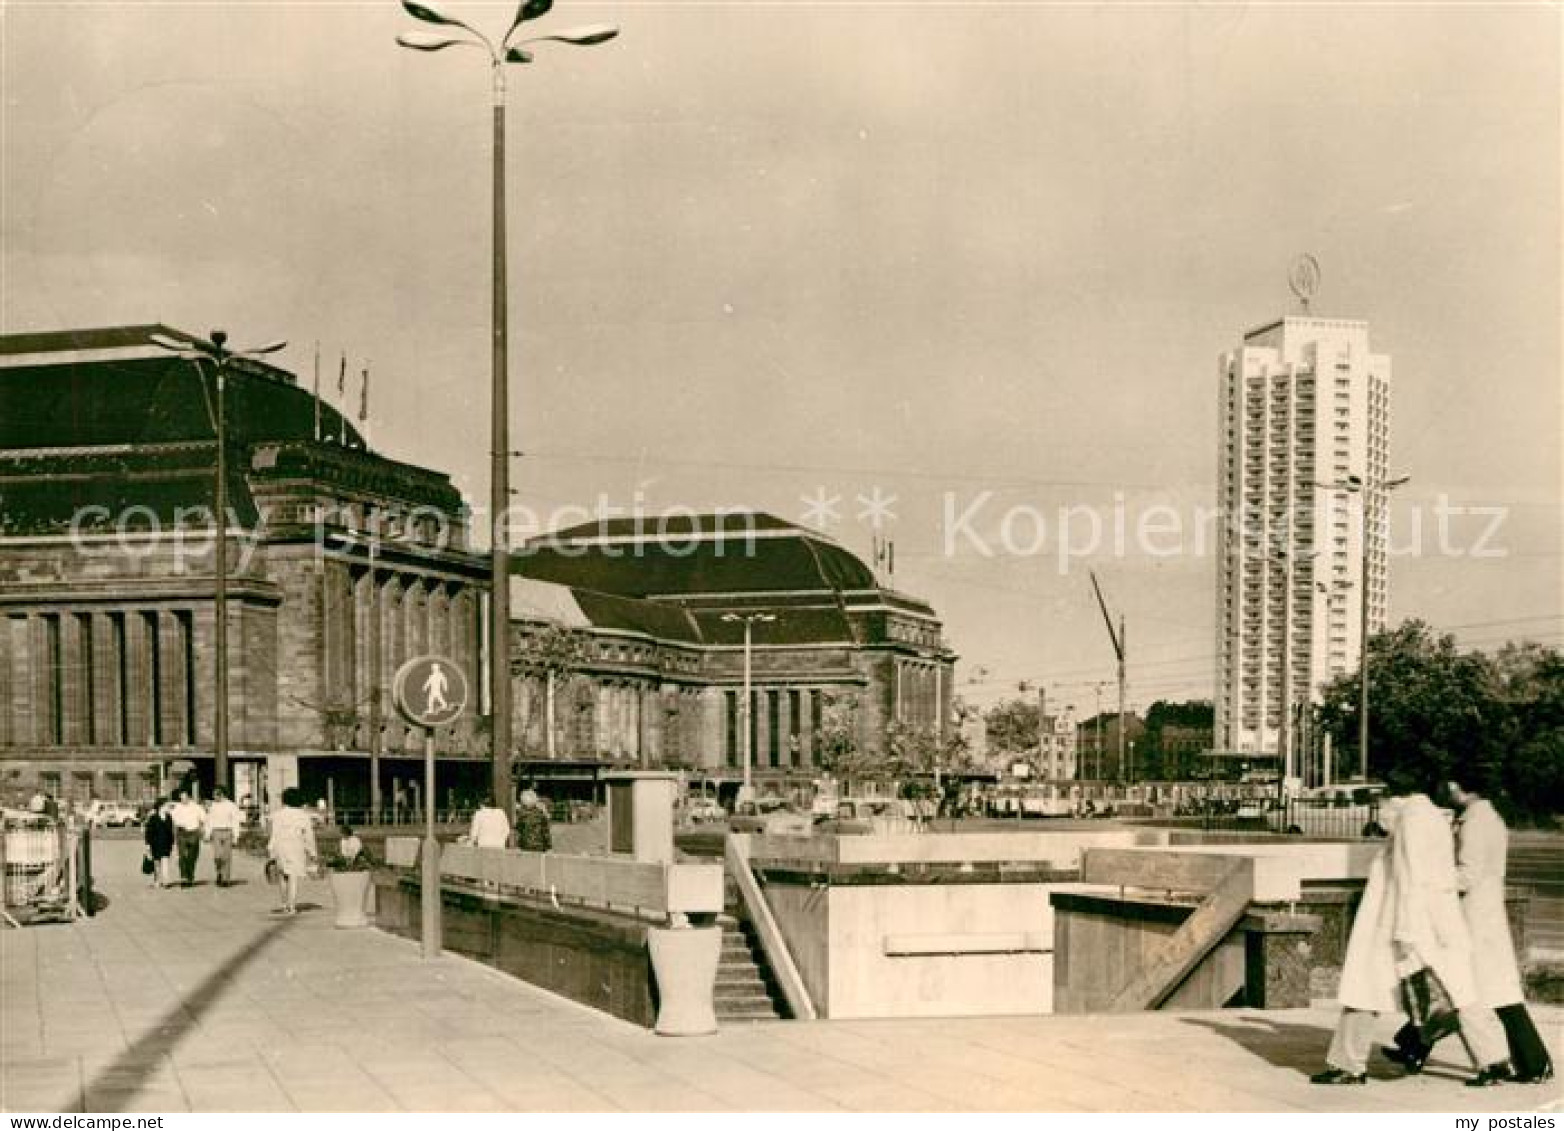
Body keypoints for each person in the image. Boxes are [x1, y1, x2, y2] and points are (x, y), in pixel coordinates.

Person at [1311, 772, 1511, 1086]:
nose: (1379, 804)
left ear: (1395, 793)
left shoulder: (1413, 820)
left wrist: (1407, 930)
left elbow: (1410, 878)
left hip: (1401, 923)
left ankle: (1349, 1065)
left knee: (1364, 988)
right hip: (1433, 921)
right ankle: (1494, 1060)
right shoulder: (1430, 818)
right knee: (1458, 990)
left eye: (1382, 794)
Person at [1385, 778, 1553, 1085]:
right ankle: (1416, 1045)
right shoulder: (1483, 817)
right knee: (1475, 990)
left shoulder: (1477, 822)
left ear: (1466, 787)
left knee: (1469, 990)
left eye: (1452, 785)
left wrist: (1431, 878)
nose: (1448, 790)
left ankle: (1533, 1062)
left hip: (1474, 917)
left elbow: (1468, 874)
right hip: (1482, 915)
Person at [266, 787, 318, 915]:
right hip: (296, 846)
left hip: (280, 847)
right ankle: (292, 906)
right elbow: (308, 836)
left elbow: (274, 833)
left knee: (283, 876)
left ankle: (284, 904)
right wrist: (312, 852)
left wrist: (271, 849)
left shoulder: (277, 815)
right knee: (293, 876)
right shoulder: (304, 816)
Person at [205, 787, 243, 887]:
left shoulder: (231, 805)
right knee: (217, 856)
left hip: (228, 831)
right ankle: (219, 873)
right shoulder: (212, 806)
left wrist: (236, 835)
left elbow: (235, 821)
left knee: (226, 856)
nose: (214, 797)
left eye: (216, 795)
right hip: (216, 831)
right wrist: (207, 834)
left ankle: (225, 879)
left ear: (221, 795)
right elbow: (209, 820)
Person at [169, 790, 206, 887]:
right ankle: (184, 877)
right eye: (181, 798)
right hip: (181, 833)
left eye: (185, 798)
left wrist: (202, 829)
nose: (183, 800)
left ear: (189, 797)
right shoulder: (177, 807)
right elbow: (172, 819)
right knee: (182, 856)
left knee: (192, 856)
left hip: (193, 832)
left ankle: (190, 876)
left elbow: (203, 818)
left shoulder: (197, 807)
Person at [143, 798, 175, 888]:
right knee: (157, 864)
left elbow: (171, 831)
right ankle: (157, 881)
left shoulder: (169, 817)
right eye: (166, 805)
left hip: (166, 844)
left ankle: (166, 881)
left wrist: (172, 843)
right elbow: (148, 832)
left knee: (165, 862)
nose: (168, 807)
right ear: (161, 806)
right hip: (155, 844)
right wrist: (148, 845)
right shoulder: (153, 818)